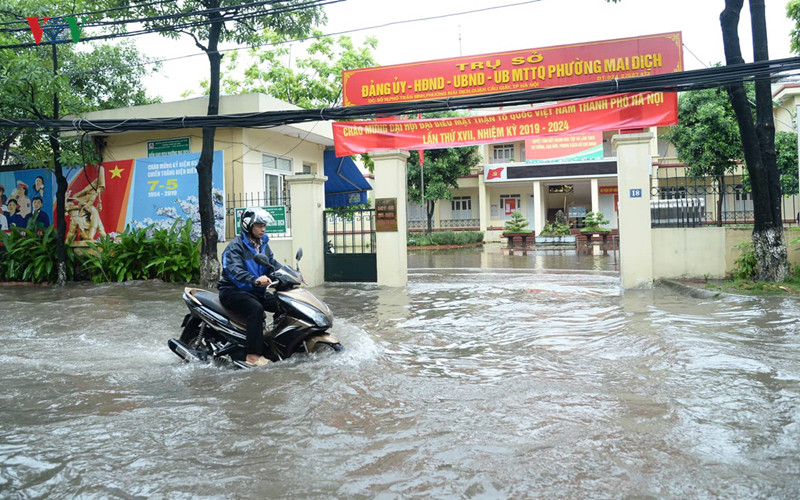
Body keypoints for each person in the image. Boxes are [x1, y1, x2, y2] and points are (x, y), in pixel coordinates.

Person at [217, 208, 281, 367]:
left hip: (254, 291)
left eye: (264, 225)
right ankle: (252, 355)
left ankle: (275, 343)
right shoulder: (235, 247)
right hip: (233, 291)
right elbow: (235, 272)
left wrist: (291, 273)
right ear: (248, 225)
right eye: (259, 225)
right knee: (256, 309)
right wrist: (255, 281)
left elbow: (272, 265)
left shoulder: (263, 244)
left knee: (282, 303)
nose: (263, 229)